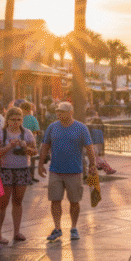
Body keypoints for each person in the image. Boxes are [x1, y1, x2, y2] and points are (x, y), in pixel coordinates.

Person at [38, 102, 97, 241]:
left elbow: (89, 147)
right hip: (55, 171)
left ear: (71, 112)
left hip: (75, 171)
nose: (59, 114)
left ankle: (74, 228)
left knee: (74, 202)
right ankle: (57, 228)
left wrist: (92, 165)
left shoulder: (81, 128)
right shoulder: (52, 127)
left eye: (62, 111)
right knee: (55, 200)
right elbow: (45, 146)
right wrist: (40, 164)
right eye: (57, 111)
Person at [0, 108, 37, 243]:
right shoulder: (0, 133)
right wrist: (9, 147)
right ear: (7, 120)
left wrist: (25, 148)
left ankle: (17, 232)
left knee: (18, 201)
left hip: (22, 170)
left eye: (19, 119)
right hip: (6, 170)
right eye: (13, 119)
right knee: (3, 203)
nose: (16, 122)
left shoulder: (27, 133)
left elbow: (34, 152)